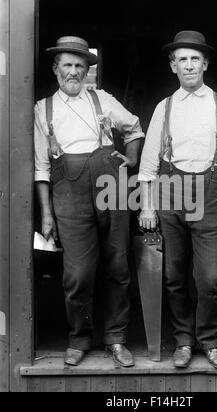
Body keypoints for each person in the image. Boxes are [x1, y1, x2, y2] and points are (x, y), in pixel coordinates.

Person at [138, 31, 217, 369]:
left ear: (205, 63)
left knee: (210, 278)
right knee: (174, 276)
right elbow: (149, 166)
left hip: (208, 198)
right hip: (169, 196)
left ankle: (208, 340)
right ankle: (183, 340)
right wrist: (148, 206)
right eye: (182, 59)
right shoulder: (163, 107)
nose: (189, 65)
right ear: (173, 66)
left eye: (195, 59)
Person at [34, 36, 144, 367]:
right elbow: (40, 167)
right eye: (67, 65)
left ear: (87, 70)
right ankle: (79, 337)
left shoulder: (103, 100)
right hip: (67, 193)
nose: (73, 71)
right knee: (78, 273)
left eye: (80, 65)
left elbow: (136, 129)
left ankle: (116, 338)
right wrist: (46, 214)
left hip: (110, 186)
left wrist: (130, 160)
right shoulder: (43, 109)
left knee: (117, 266)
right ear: (55, 69)